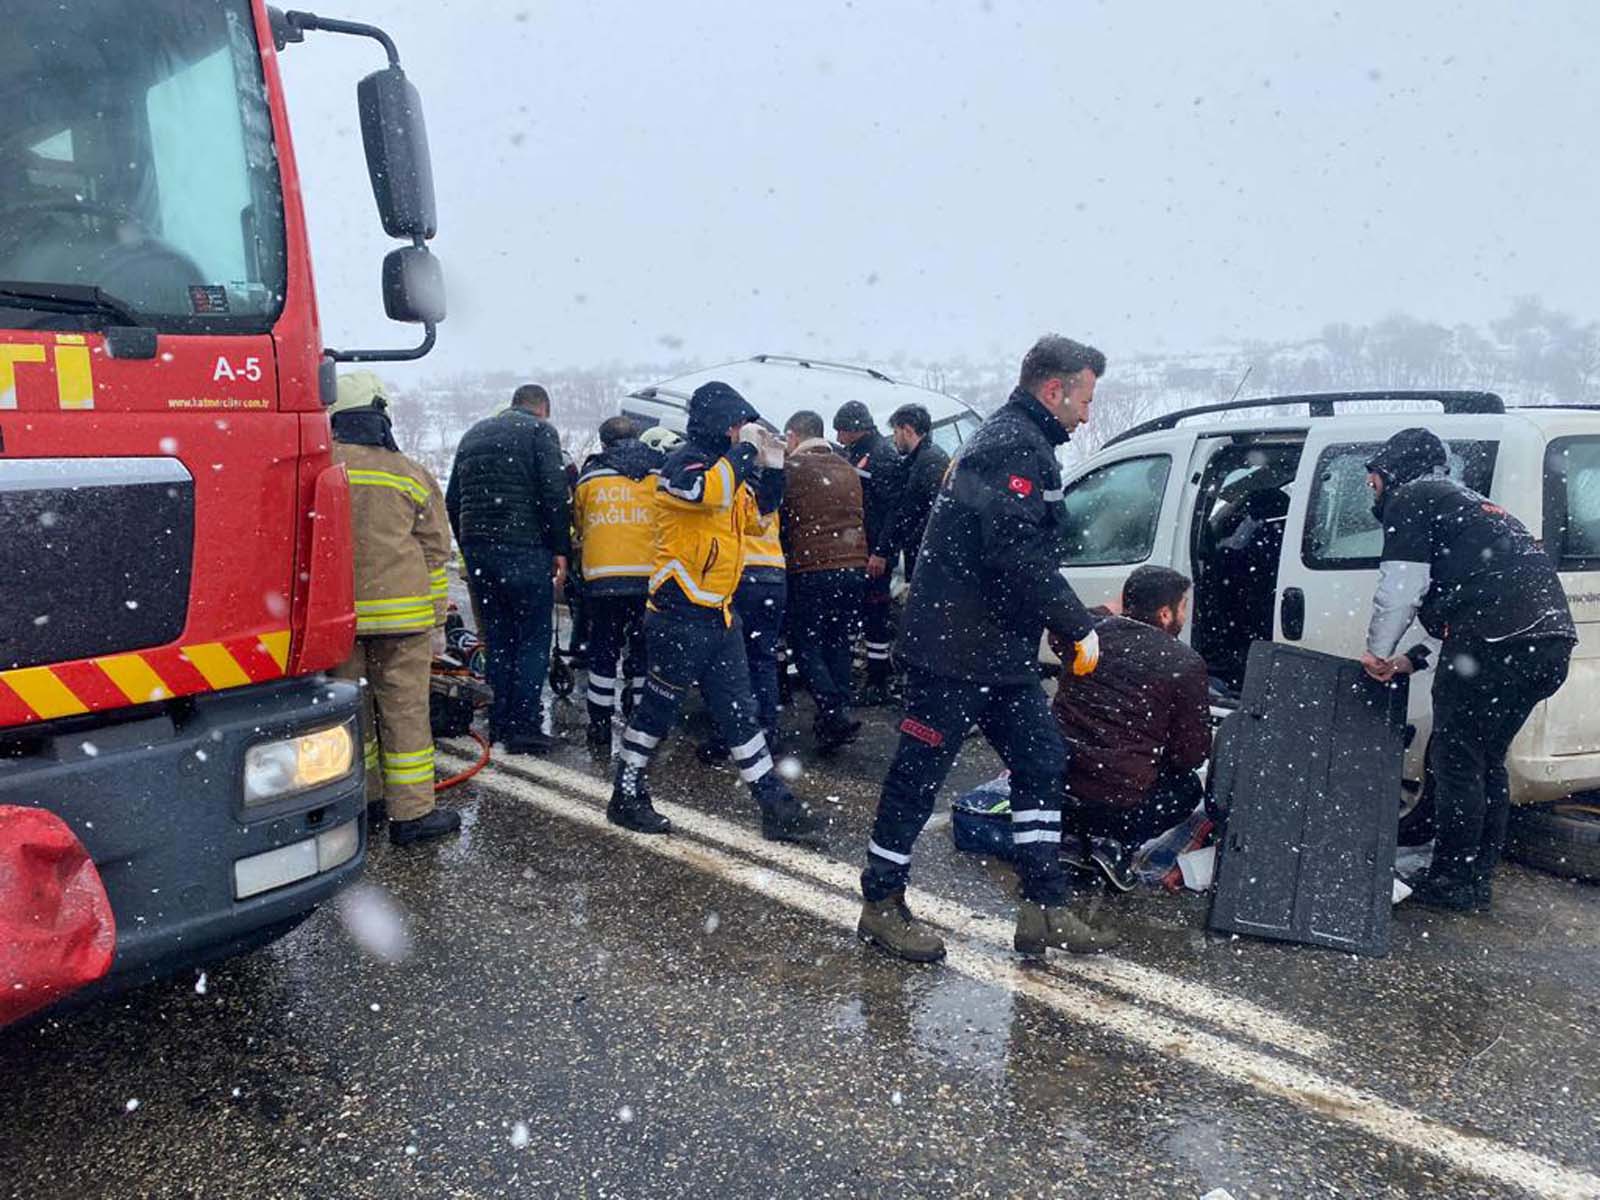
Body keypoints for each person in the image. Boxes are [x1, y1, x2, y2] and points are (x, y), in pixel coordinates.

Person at [858, 335, 1117, 962]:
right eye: (1084, 399)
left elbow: (1012, 554)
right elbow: (1014, 555)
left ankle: (1042, 906)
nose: (1086, 415)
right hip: (953, 651)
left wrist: (1051, 622)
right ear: (1054, 390)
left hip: (996, 652)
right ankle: (882, 904)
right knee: (918, 778)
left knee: (1043, 759)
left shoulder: (1020, 442)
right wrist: (1077, 624)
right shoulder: (1013, 445)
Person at [1360, 427, 1576, 912]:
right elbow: (1464, 611)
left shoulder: (1412, 498)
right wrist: (1407, 660)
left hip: (1496, 644)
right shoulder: (1470, 504)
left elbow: (1400, 588)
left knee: (1457, 762)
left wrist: (1377, 651)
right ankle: (1474, 875)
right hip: (1545, 643)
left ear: (1392, 470)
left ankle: (1455, 881)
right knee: (1485, 760)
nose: (1371, 489)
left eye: (1373, 479)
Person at [608, 382, 829, 849]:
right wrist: (745, 451)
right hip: (678, 612)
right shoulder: (682, 464)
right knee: (657, 711)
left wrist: (771, 468)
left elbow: (758, 515)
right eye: (736, 424)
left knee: (739, 713)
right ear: (717, 424)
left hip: (718, 614)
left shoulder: (732, 472)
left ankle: (774, 805)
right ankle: (626, 794)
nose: (740, 432)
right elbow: (707, 492)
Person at [328, 371, 460, 846]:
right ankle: (413, 815)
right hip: (404, 620)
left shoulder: (316, 466)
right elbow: (434, 550)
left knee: (348, 714)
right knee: (405, 712)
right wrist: (435, 620)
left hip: (337, 621)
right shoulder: (409, 472)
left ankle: (362, 804)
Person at [1051, 566, 1210, 891]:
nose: (1184, 615)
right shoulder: (1185, 664)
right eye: (1182, 607)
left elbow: (1061, 624)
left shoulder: (1087, 635)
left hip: (1055, 788)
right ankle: (1115, 846)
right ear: (1165, 613)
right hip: (1120, 805)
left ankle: (1072, 839)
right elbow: (1191, 753)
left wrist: (1107, 612)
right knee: (1187, 788)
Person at [446, 383, 571, 754]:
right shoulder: (539, 431)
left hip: (480, 552)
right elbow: (553, 491)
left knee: (499, 637)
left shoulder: (472, 434)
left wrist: (471, 545)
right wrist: (559, 548)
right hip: (525, 548)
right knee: (532, 637)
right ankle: (524, 726)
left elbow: (454, 498)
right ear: (542, 408)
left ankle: (500, 720)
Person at [572, 416, 663, 755]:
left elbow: (579, 524)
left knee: (603, 652)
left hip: (603, 580)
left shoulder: (591, 477)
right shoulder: (659, 474)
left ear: (603, 443)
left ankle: (599, 723)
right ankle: (640, 717)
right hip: (649, 578)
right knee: (642, 650)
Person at [780, 410, 869, 752]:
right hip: (854, 564)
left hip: (813, 567)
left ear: (794, 436)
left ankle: (832, 710)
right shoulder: (847, 468)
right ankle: (840, 711)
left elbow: (781, 517)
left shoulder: (794, 470)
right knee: (838, 641)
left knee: (805, 644)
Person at [699, 473, 788, 763]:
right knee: (763, 658)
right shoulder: (768, 487)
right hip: (774, 576)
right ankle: (767, 730)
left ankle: (729, 735)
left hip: (741, 575)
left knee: (728, 660)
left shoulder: (728, 488)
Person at [833, 401, 902, 706]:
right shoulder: (858, 452)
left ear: (856, 427)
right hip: (859, 548)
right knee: (856, 611)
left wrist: (882, 552)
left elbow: (891, 512)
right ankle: (851, 673)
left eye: (842, 430)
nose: (839, 435)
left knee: (875, 614)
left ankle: (877, 679)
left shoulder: (881, 456)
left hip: (874, 551)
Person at [871, 402, 951, 583]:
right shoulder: (916, 461)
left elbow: (937, 509)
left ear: (907, 430)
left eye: (896, 432)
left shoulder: (931, 462)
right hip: (922, 554)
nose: (894, 438)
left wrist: (914, 540)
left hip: (929, 557)